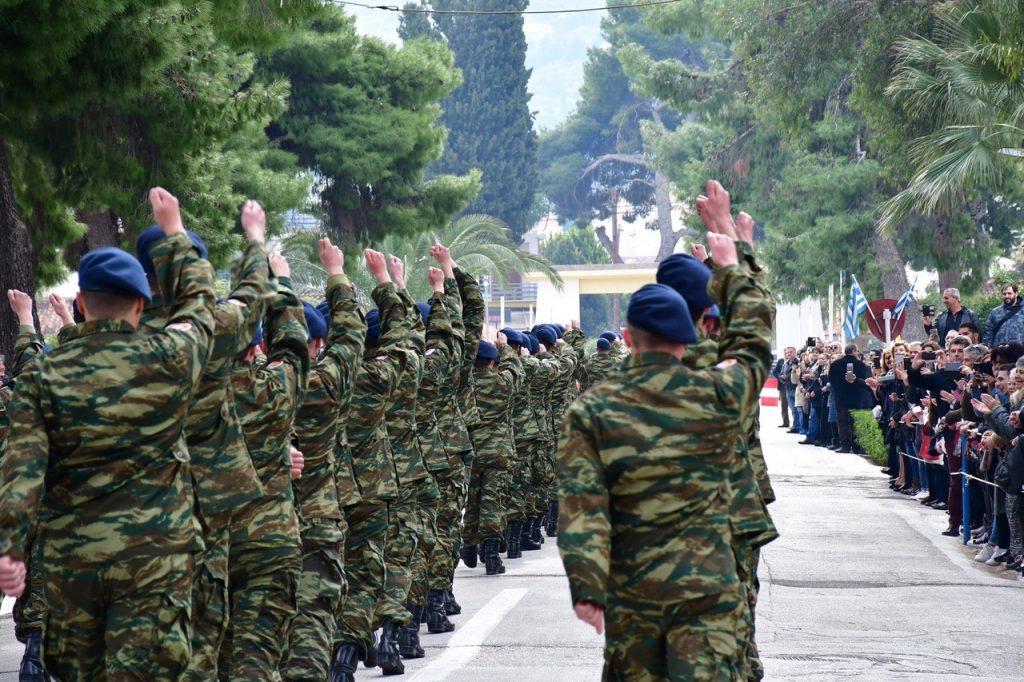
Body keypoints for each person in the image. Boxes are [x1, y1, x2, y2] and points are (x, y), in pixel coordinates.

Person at [0, 187, 215, 679]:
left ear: (82, 304)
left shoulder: (42, 376)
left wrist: (10, 547)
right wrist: (176, 233)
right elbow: (200, 307)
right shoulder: (168, 359)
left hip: (74, 565)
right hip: (155, 560)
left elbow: (22, 468)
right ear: (140, 305)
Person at [556, 229, 773, 679]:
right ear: (685, 342)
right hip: (709, 593)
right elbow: (753, 343)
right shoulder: (717, 393)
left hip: (634, 596)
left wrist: (587, 586)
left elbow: (583, 507)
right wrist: (733, 262)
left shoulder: (592, 411)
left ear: (628, 337)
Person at [281, 238, 365, 681]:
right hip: (318, 521)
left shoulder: (260, 387)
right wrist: (336, 272)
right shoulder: (326, 383)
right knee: (312, 621)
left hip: (260, 526)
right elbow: (351, 335)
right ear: (318, 343)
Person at [827, 343, 873, 453]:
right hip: (857, 397)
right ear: (853, 351)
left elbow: (831, 380)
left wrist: (839, 389)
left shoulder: (835, 364)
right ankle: (857, 447)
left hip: (841, 397)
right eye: (857, 351)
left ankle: (845, 446)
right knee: (855, 422)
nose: (858, 353)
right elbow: (866, 381)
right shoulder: (861, 365)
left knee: (842, 422)